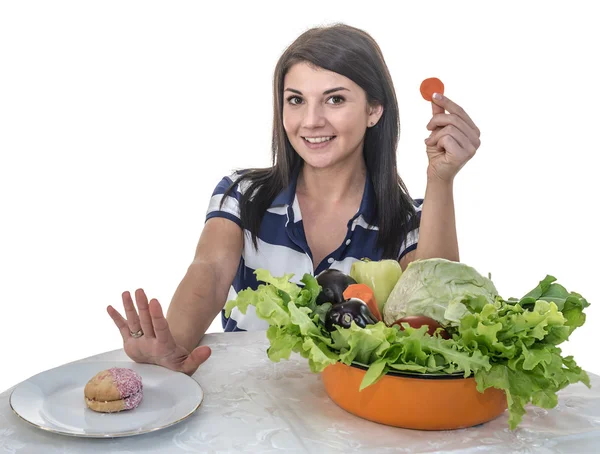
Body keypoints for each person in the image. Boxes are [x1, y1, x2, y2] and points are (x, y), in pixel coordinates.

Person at [107, 23, 481, 376]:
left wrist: (440, 180)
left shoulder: (407, 220)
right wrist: (173, 346)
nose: (311, 120)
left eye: (334, 99)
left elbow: (436, 312)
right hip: (248, 408)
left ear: (374, 110)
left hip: (349, 420)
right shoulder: (242, 194)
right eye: (296, 100)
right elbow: (209, 271)